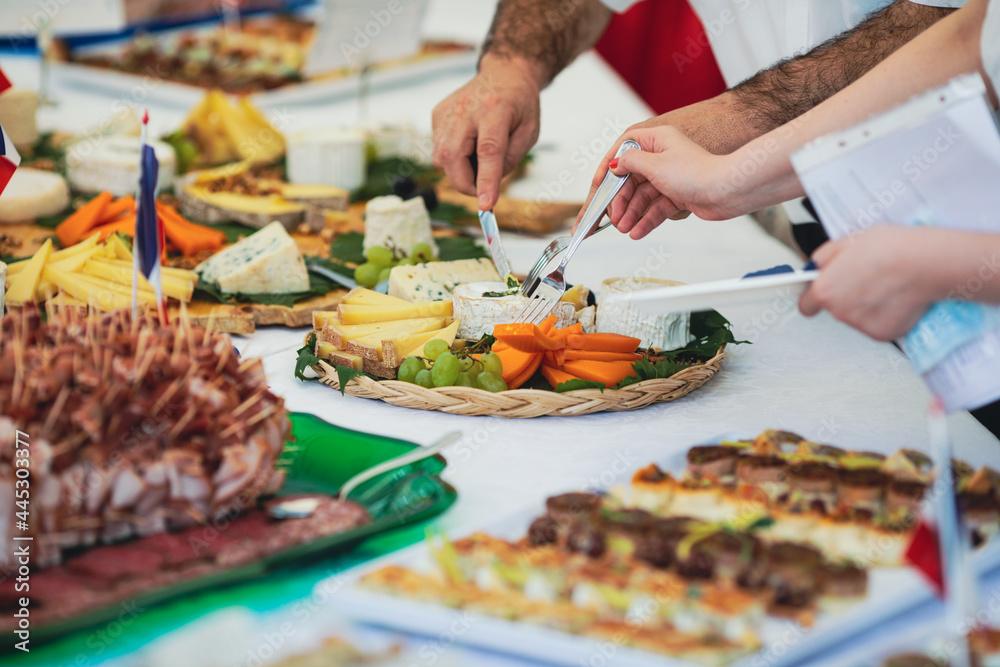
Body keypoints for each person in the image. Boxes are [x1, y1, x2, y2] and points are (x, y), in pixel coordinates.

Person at [432, 0, 964, 214]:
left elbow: (954, 24)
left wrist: (740, 122)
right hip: (815, 217)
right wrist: (511, 65)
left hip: (965, 203)